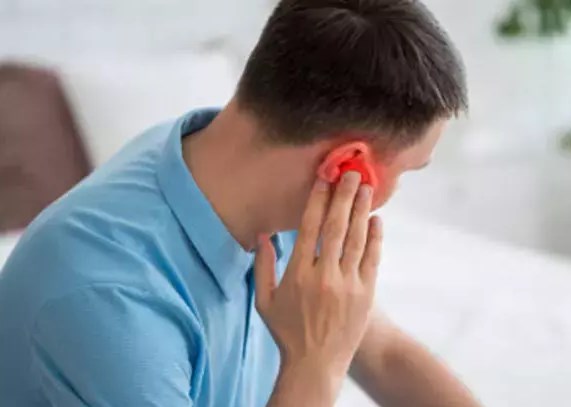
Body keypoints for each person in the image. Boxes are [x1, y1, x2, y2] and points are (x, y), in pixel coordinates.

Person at [0, 0, 479, 406]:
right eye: (408, 171)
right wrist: (315, 363)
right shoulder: (106, 299)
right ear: (345, 167)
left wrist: (329, 345)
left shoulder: (235, 162)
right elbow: (334, 354)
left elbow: (384, 352)